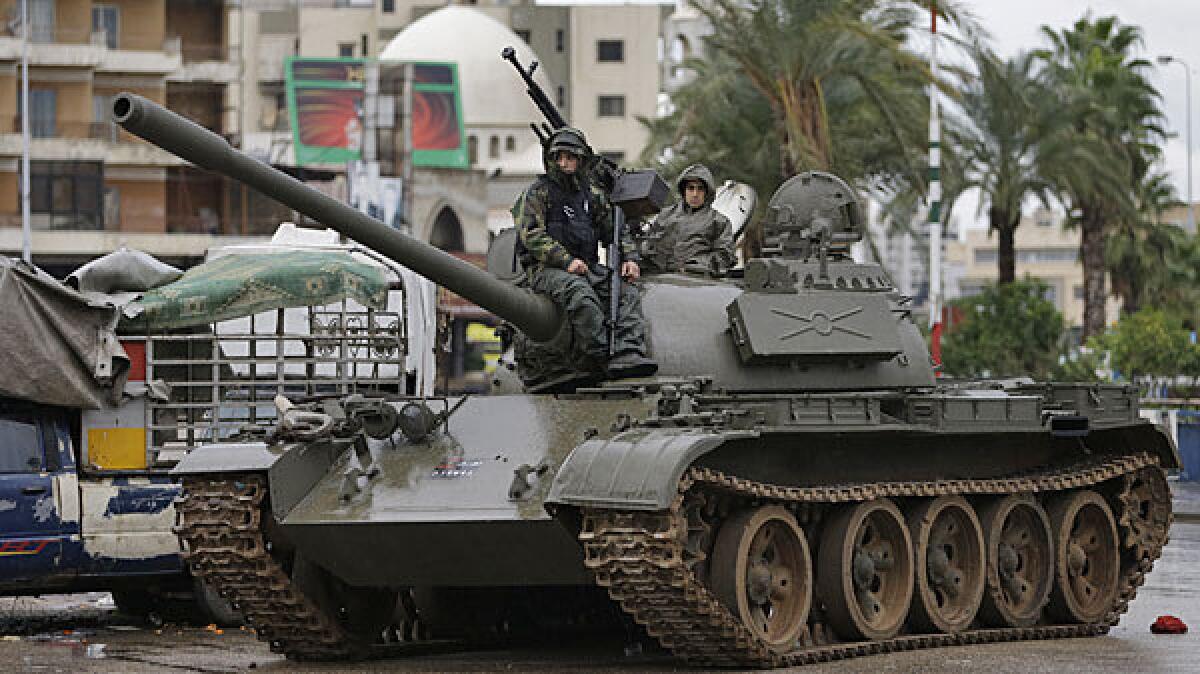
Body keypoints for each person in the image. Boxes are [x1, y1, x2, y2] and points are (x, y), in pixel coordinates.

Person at [511, 127, 658, 379]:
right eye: (560, 157)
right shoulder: (537, 193)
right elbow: (532, 234)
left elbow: (615, 228)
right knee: (581, 296)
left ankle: (627, 351)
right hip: (546, 271)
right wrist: (565, 260)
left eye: (571, 157)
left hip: (586, 267)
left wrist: (630, 259)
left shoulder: (591, 195)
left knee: (627, 291)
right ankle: (597, 356)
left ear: (580, 160)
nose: (565, 163)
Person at [643, 164, 736, 275]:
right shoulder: (665, 215)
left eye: (700, 189)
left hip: (697, 282)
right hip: (659, 280)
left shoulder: (719, 221)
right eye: (690, 188)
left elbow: (725, 255)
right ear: (684, 191)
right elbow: (647, 246)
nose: (695, 194)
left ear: (707, 192)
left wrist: (696, 265)